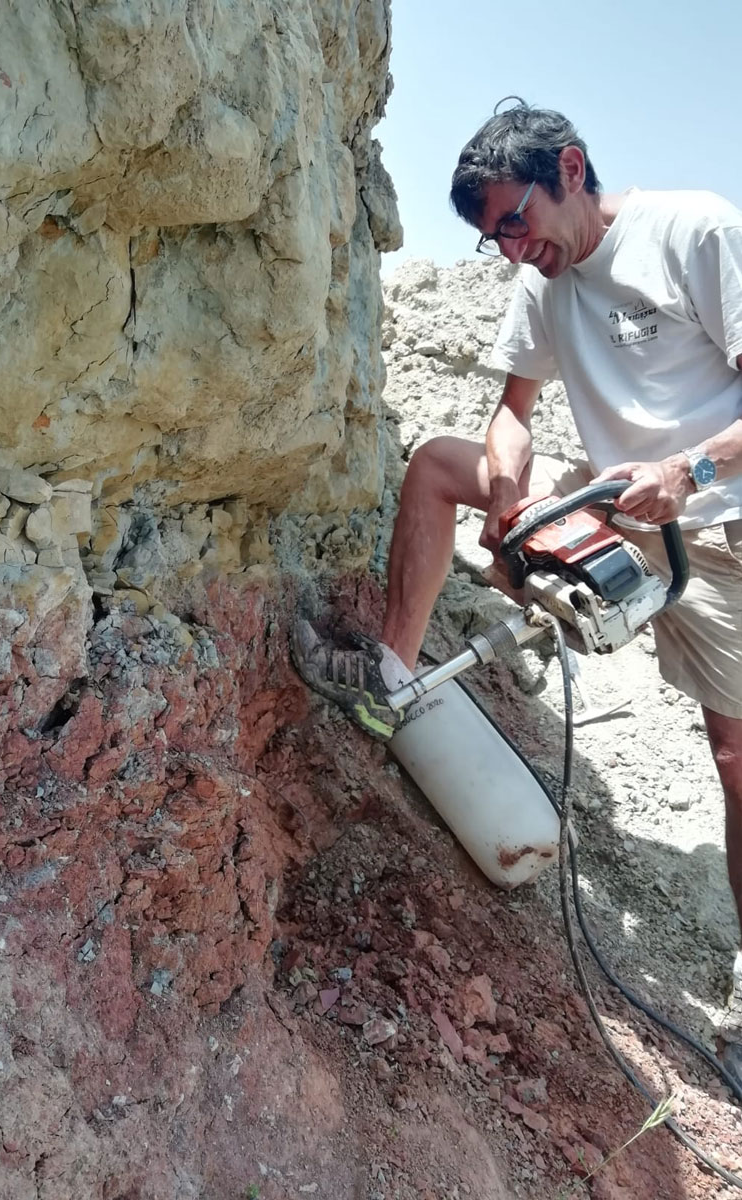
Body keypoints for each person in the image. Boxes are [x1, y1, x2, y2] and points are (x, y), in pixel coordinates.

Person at [292, 99, 742, 1080]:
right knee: (436, 465)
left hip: (720, 517)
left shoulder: (694, 230)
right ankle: (392, 682)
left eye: (512, 219)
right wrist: (504, 495)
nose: (507, 247)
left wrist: (694, 474)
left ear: (571, 168)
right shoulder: (541, 282)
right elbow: (511, 414)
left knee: (735, 753)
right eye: (490, 234)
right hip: (623, 504)